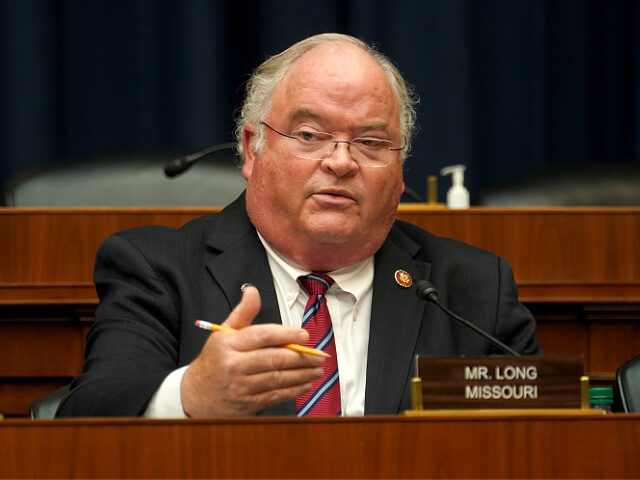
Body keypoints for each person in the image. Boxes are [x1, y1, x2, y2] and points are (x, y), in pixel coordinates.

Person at [57, 33, 542, 418]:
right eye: (310, 135)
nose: (341, 161)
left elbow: (549, 433)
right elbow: (87, 418)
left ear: (400, 171)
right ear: (251, 149)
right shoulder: (160, 272)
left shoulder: (472, 290)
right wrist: (190, 395)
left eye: (372, 142)